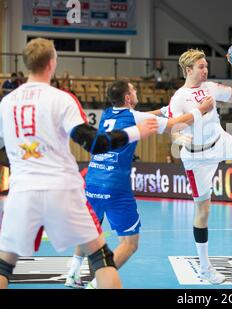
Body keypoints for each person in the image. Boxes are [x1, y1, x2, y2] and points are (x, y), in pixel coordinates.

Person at [0, 38, 158, 289]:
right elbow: (95, 144)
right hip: (61, 190)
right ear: (52, 63)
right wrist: (134, 132)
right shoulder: (62, 99)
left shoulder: (6, 103)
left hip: (22, 192)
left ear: (26, 63)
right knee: (102, 259)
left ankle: (69, 272)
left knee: (4, 266)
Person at [65, 79, 214, 289]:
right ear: (127, 98)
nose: (136, 91)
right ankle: (97, 283)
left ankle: (72, 274)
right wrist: (201, 110)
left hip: (92, 182)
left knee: (89, 231)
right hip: (115, 186)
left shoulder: (108, 113)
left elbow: (142, 117)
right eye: (133, 90)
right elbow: (175, 125)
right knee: (129, 244)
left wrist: (163, 110)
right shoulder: (134, 116)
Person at [167, 48, 232, 284]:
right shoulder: (179, 97)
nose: (205, 70)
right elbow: (174, 129)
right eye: (200, 66)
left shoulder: (210, 88)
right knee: (203, 212)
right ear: (188, 70)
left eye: (206, 65)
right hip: (196, 159)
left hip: (221, 141)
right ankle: (205, 268)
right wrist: (180, 139)